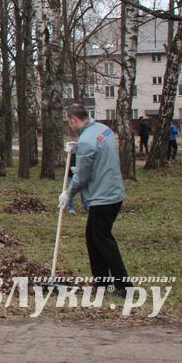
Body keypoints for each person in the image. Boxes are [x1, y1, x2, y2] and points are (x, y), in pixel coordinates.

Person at [59, 104, 132, 297]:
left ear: (73, 118)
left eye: (68, 121)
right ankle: (102, 283)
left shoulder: (86, 141)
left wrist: (68, 193)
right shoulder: (103, 130)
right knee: (93, 239)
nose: (69, 125)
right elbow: (95, 152)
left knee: (103, 240)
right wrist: (77, 150)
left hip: (103, 198)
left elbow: (81, 176)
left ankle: (125, 287)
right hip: (113, 193)